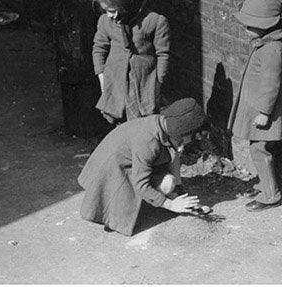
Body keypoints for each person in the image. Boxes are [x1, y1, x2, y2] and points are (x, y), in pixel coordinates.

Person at [78, 98, 207, 236]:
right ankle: (113, 203)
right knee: (123, 211)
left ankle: (153, 199)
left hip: (129, 158)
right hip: (112, 168)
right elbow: (141, 184)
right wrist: (171, 205)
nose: (193, 140)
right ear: (182, 134)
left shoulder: (164, 125)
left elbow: (174, 156)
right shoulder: (148, 142)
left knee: (169, 183)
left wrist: (179, 194)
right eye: (192, 136)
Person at [227, 0, 282, 211]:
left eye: (250, 25)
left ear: (266, 26)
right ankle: (266, 186)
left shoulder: (273, 50)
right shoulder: (267, 45)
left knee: (260, 151)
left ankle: (271, 194)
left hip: (266, 114)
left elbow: (271, 84)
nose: (246, 29)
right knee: (258, 149)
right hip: (261, 112)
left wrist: (264, 113)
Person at [91, 0, 170, 125]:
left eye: (112, 10)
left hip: (143, 85)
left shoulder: (155, 21)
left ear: (126, 4)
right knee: (119, 126)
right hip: (116, 83)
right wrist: (103, 80)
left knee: (141, 127)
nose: (109, 15)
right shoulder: (106, 22)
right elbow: (99, 49)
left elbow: (163, 54)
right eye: (105, 11)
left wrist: (157, 85)